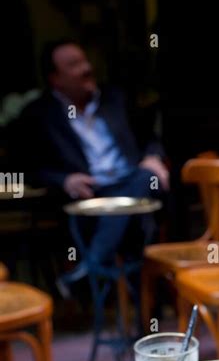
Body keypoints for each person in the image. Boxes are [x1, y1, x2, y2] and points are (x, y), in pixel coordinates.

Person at [18, 40, 169, 291]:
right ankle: (140, 302)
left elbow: (150, 139)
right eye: (74, 65)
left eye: (85, 60)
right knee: (136, 224)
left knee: (144, 179)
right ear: (55, 78)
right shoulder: (38, 115)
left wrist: (153, 157)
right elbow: (28, 167)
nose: (86, 68)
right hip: (90, 196)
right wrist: (64, 180)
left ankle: (93, 267)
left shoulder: (116, 98)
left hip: (133, 182)